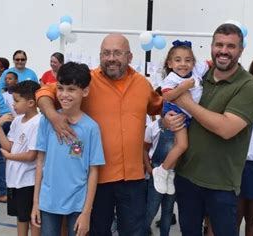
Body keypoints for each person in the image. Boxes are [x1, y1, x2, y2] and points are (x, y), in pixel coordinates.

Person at [36, 34, 162, 235]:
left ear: (129, 57)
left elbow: (158, 106)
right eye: (106, 53)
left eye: (117, 53)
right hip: (97, 180)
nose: (111, 58)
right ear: (100, 56)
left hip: (133, 178)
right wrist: (53, 115)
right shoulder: (86, 81)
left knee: (135, 231)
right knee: (97, 232)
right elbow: (44, 93)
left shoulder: (142, 84)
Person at [166, 23, 253, 236]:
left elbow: (226, 128)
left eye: (231, 46)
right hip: (187, 177)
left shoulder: (249, 87)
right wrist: (167, 121)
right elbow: (167, 107)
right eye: (219, 44)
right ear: (211, 47)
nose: (224, 51)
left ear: (241, 50)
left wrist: (186, 103)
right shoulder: (200, 77)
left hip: (221, 184)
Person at [31, 62, 105, 235]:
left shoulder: (90, 128)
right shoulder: (46, 121)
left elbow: (93, 171)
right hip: (48, 201)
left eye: (71, 89)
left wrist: (86, 212)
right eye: (60, 88)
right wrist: (36, 203)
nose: (64, 95)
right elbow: (40, 161)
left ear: (85, 91)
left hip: (78, 203)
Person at [152, 40, 209, 195]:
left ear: (194, 63)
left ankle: (170, 173)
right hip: (177, 113)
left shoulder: (196, 70)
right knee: (182, 145)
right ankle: (162, 170)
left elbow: (211, 63)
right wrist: (183, 87)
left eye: (188, 60)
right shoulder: (172, 78)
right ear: (170, 64)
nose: (183, 64)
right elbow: (167, 96)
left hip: (189, 114)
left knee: (179, 147)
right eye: (178, 60)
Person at [0, 81, 41, 236]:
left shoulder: (38, 122)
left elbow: (31, 155)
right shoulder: (16, 120)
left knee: (33, 218)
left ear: (30, 102)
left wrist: (10, 157)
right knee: (21, 218)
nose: (13, 104)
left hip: (28, 180)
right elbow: (9, 146)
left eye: (16, 100)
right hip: (14, 180)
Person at [143, 115, 177, 236]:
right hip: (156, 171)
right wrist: (149, 168)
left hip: (172, 174)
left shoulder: (180, 128)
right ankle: (143, 232)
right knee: (151, 209)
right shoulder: (153, 127)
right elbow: (144, 149)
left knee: (168, 210)